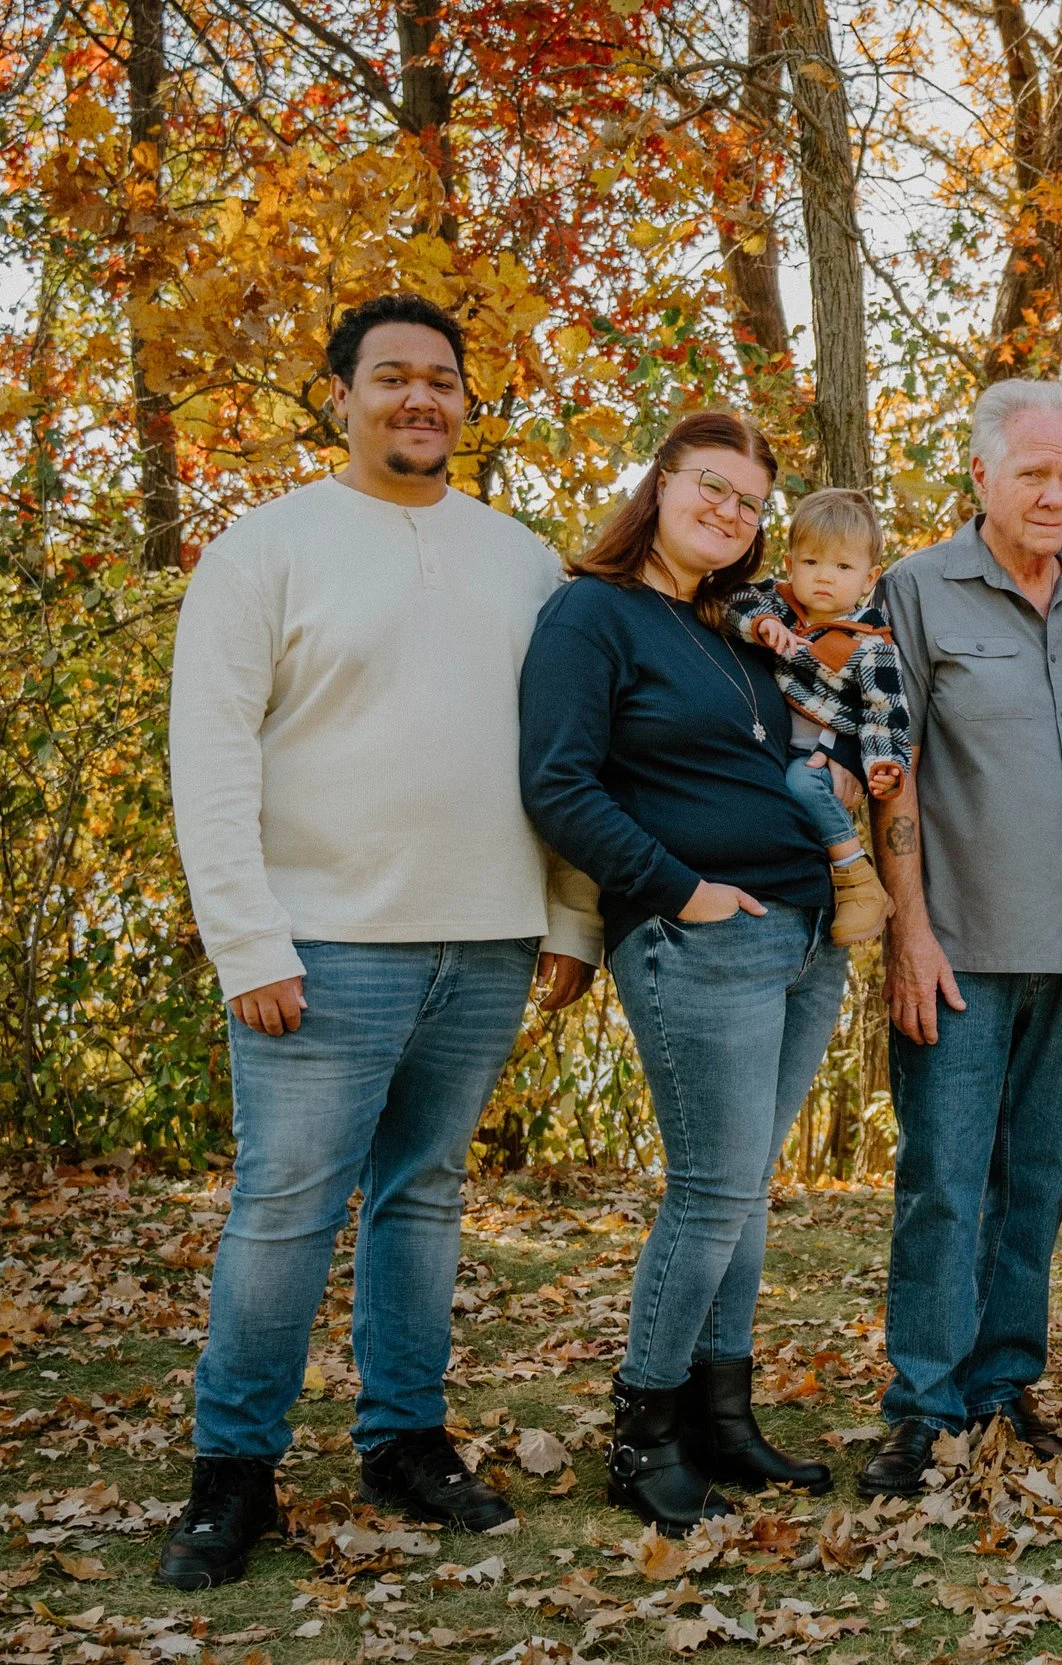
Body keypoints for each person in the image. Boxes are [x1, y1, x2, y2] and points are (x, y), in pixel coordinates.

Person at [161, 293, 601, 1588]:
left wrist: (570, 913)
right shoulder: (267, 549)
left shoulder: (523, 559)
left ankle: (405, 1440)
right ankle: (230, 1474)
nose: (422, 398)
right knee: (286, 1210)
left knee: (425, 1201)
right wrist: (247, 940)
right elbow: (212, 755)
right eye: (394, 377)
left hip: (487, 941)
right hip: (322, 948)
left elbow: (566, 750)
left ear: (466, 403)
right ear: (340, 391)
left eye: (443, 381)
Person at [520, 411, 845, 1531]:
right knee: (711, 1190)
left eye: (751, 503)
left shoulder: (730, 625)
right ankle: (643, 1435)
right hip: (699, 937)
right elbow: (559, 784)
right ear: (659, 483)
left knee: (745, 1187)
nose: (730, 512)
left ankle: (722, 1417)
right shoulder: (591, 613)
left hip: (803, 938)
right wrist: (682, 891)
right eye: (713, 486)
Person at [862, 380, 1062, 1495]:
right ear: (981, 475)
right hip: (960, 948)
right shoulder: (915, 592)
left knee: (1039, 1179)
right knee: (943, 1180)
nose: (1055, 494)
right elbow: (890, 771)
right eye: (1033, 473)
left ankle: (1001, 1391)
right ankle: (922, 1408)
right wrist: (908, 936)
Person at [719, 487, 912, 945]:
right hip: (773, 739)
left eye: (843, 567)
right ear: (790, 565)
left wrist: (886, 767)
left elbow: (886, 714)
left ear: (870, 577)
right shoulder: (779, 606)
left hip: (822, 748)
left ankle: (857, 876)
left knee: (801, 783)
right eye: (811, 563)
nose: (824, 577)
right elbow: (732, 603)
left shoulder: (871, 645)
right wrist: (762, 626)